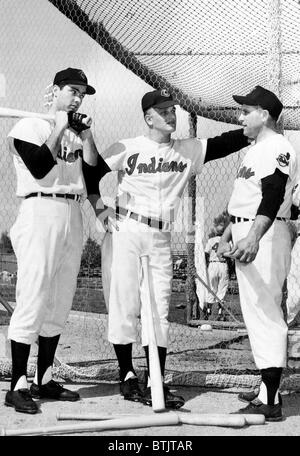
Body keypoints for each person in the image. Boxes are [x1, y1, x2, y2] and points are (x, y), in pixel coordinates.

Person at [89, 88, 250, 410]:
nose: (170, 114)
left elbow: (225, 143)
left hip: (161, 235)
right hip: (126, 228)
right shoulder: (128, 147)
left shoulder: (187, 150)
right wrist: (99, 208)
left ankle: (155, 379)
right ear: (149, 117)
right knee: (124, 304)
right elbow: (90, 173)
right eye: (163, 110)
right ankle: (127, 376)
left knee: (159, 308)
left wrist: (253, 126)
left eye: (173, 109)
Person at [5, 67, 110, 414]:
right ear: (55, 91)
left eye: (82, 92)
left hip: (72, 213)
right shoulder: (30, 126)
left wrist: (88, 134)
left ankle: (43, 378)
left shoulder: (77, 137)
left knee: (60, 299)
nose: (78, 97)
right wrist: (60, 125)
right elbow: (37, 166)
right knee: (33, 296)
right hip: (39, 209)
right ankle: (17, 384)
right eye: (72, 90)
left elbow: (95, 172)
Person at [216, 85, 298, 421]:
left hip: (263, 233)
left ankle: (271, 398)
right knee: (257, 311)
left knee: (265, 312)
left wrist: (252, 237)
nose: (240, 117)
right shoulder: (258, 148)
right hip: (249, 228)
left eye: (245, 111)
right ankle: (268, 389)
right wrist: (226, 234)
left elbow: (274, 193)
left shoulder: (277, 145)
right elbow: (247, 198)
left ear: (264, 114)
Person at [203, 218, 230, 321]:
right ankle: (220, 313)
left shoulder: (211, 241)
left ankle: (208, 312)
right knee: (222, 289)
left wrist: (205, 266)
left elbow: (206, 254)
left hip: (213, 264)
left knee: (211, 288)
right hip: (223, 264)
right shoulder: (227, 241)